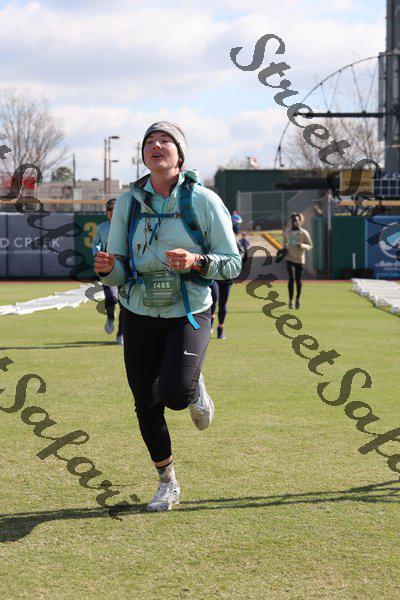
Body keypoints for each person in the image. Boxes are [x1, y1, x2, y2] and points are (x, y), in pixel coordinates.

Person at [94, 122, 241, 512]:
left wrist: (197, 260)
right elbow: (119, 269)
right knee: (146, 403)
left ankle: (193, 385)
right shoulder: (127, 204)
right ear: (143, 155)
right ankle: (167, 482)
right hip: (138, 311)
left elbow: (233, 263)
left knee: (175, 395)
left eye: (165, 141)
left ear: (180, 154)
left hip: (188, 310)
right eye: (149, 142)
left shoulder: (204, 201)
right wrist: (108, 269)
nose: (156, 145)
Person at [92, 198, 123, 344]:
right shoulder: (102, 227)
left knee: (125, 304)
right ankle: (110, 316)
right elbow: (95, 243)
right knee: (112, 298)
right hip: (108, 268)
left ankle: (121, 334)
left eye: (114, 209)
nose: (111, 212)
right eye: (109, 209)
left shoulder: (125, 225)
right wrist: (97, 255)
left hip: (125, 266)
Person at [283, 212, 313, 309]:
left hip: (299, 259)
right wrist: (283, 250)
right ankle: (290, 300)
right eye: (293, 221)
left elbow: (310, 245)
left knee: (298, 279)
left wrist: (302, 245)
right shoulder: (287, 232)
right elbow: (284, 243)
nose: (294, 222)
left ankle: (298, 298)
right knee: (291, 278)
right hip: (289, 257)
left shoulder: (304, 233)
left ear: (300, 221)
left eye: (296, 220)